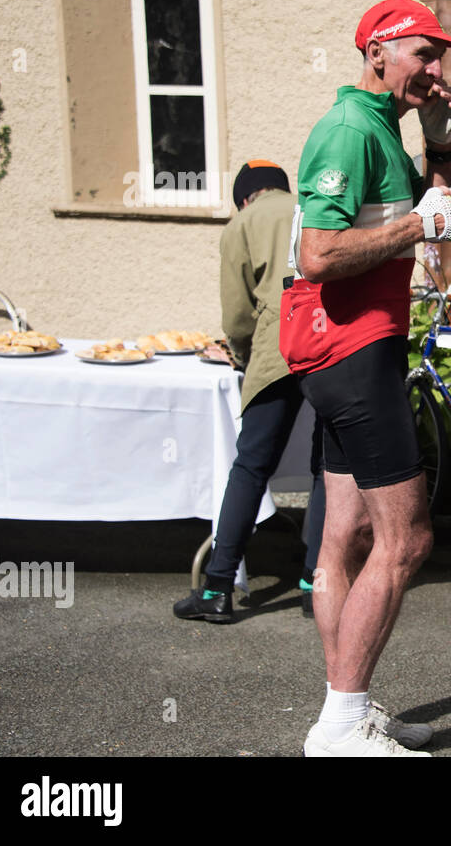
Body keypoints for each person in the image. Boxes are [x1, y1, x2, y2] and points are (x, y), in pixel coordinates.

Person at [283, 0, 451, 757]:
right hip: (353, 354)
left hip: (355, 351)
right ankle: (339, 722)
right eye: (424, 54)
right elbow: (319, 255)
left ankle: (346, 706)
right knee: (408, 538)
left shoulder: (384, 129)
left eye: (438, 57)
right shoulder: (349, 130)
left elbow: (433, 210)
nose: (435, 69)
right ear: (379, 53)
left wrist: (443, 148)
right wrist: (417, 226)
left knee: (346, 534)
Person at [173, 160, 324, 624]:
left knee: (251, 467)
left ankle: (218, 588)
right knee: (326, 469)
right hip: (327, 343)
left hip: (276, 347)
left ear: (244, 197)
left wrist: (241, 355)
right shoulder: (314, 208)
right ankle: (314, 584)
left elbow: (238, 314)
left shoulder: (243, 222)